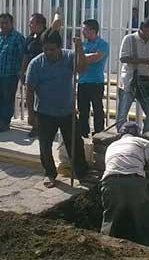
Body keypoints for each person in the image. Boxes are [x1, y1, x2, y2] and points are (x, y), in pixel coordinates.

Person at [25, 29, 89, 188]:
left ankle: (82, 173)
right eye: (45, 48)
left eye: (52, 49)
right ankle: (50, 173)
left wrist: (79, 48)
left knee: (75, 144)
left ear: (60, 47)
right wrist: (31, 114)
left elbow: (81, 68)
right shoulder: (36, 63)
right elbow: (29, 89)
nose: (48, 52)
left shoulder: (69, 56)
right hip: (45, 112)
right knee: (45, 146)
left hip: (67, 111)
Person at [100, 121, 149, 246]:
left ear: (121, 134)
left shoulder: (112, 145)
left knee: (111, 218)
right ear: (138, 134)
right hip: (135, 181)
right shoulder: (144, 143)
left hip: (110, 182)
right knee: (144, 215)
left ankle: (103, 247)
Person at [117, 17, 149, 132]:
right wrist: (144, 61)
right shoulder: (129, 39)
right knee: (122, 115)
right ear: (143, 28)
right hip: (129, 82)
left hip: (147, 82)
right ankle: (123, 137)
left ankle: (146, 138)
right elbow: (123, 58)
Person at [21, 13, 61, 138]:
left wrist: (57, 14)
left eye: (32, 22)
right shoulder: (30, 38)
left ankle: (44, 126)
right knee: (32, 100)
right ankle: (36, 125)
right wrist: (22, 72)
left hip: (46, 73)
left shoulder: (46, 35)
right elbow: (26, 56)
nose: (29, 25)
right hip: (33, 74)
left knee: (45, 101)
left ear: (40, 24)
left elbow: (57, 24)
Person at [0, 13, 26, 133]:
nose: (3, 25)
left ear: (12, 23)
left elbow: (24, 56)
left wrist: (21, 72)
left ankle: (5, 123)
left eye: (6, 23)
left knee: (8, 99)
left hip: (10, 74)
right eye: (1, 23)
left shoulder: (18, 37)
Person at [78, 19, 109, 137]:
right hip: (82, 81)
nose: (82, 31)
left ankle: (99, 132)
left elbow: (96, 57)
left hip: (96, 82)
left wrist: (82, 56)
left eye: (85, 29)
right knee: (83, 110)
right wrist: (82, 56)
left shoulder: (102, 44)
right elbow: (76, 59)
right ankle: (83, 132)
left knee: (97, 109)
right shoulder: (83, 44)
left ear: (92, 30)